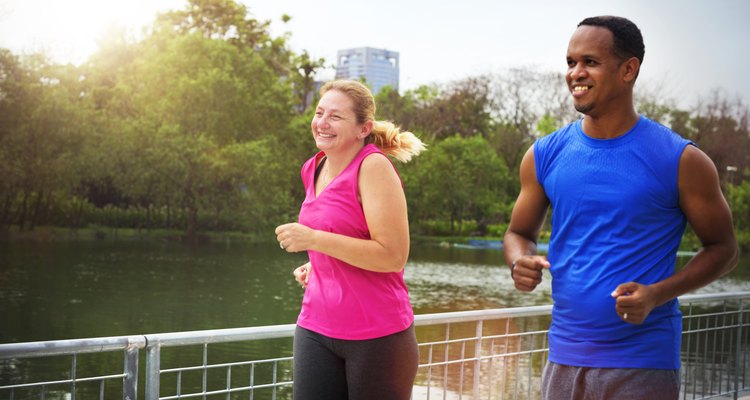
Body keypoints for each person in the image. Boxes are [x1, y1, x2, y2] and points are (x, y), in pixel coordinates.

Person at [503, 15, 738, 400]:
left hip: (642, 364)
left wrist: (657, 294)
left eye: (590, 62)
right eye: (570, 62)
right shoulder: (544, 154)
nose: (575, 73)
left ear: (629, 69)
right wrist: (519, 261)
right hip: (562, 359)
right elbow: (518, 233)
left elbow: (725, 249)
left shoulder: (680, 159)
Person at [275, 79, 425, 400]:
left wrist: (314, 239)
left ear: (363, 128)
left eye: (336, 116)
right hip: (315, 329)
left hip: (378, 337)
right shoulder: (312, 167)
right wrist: (319, 263)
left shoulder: (373, 167)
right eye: (319, 113)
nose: (322, 123)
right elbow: (342, 234)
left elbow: (391, 255)